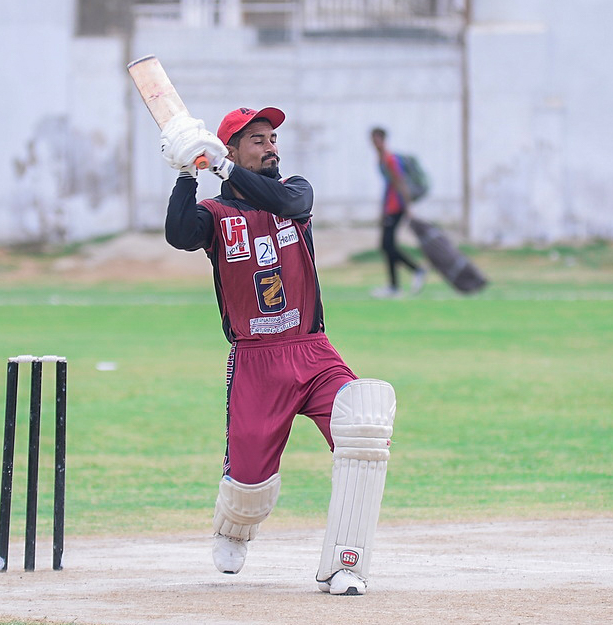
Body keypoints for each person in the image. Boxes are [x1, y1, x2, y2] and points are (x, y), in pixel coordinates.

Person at [160, 106, 397, 596]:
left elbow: (286, 202)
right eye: (258, 140)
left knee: (364, 425)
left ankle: (346, 563)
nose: (271, 148)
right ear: (231, 147)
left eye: (272, 139)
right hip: (256, 360)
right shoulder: (216, 215)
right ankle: (234, 528)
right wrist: (186, 173)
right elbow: (179, 234)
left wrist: (221, 166)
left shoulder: (294, 192)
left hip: (312, 352)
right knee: (248, 478)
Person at [370, 127, 426, 298]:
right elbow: (388, 186)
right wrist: (383, 209)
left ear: (383, 140)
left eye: (378, 139)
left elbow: (400, 182)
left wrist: (408, 206)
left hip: (397, 206)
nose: (375, 143)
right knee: (387, 245)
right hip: (390, 206)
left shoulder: (390, 159)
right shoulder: (381, 159)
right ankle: (394, 286)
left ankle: (416, 270)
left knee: (387, 245)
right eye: (373, 140)